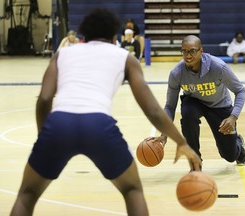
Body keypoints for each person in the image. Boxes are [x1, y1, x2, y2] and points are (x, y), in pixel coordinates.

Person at [10, 9, 202, 216]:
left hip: (59, 124)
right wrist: (181, 142)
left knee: (27, 194)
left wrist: (44, 136)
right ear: (114, 37)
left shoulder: (62, 54)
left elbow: (45, 99)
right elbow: (153, 110)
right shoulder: (125, 57)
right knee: (132, 190)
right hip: (98, 126)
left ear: (84, 35)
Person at [158, 35, 245, 168]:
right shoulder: (177, 73)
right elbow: (170, 106)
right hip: (195, 103)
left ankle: (238, 144)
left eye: (193, 51)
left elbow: (240, 91)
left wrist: (233, 117)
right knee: (187, 112)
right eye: (184, 51)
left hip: (220, 105)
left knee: (229, 156)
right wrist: (163, 134)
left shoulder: (218, 67)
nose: (188, 55)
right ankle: (195, 162)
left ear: (201, 51)